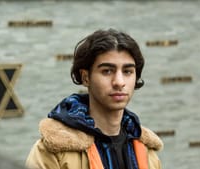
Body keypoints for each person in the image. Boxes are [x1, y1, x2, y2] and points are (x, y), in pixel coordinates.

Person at [26, 28, 163, 169]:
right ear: (86, 77)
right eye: (107, 71)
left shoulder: (148, 153)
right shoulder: (53, 151)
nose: (119, 82)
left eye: (127, 71)